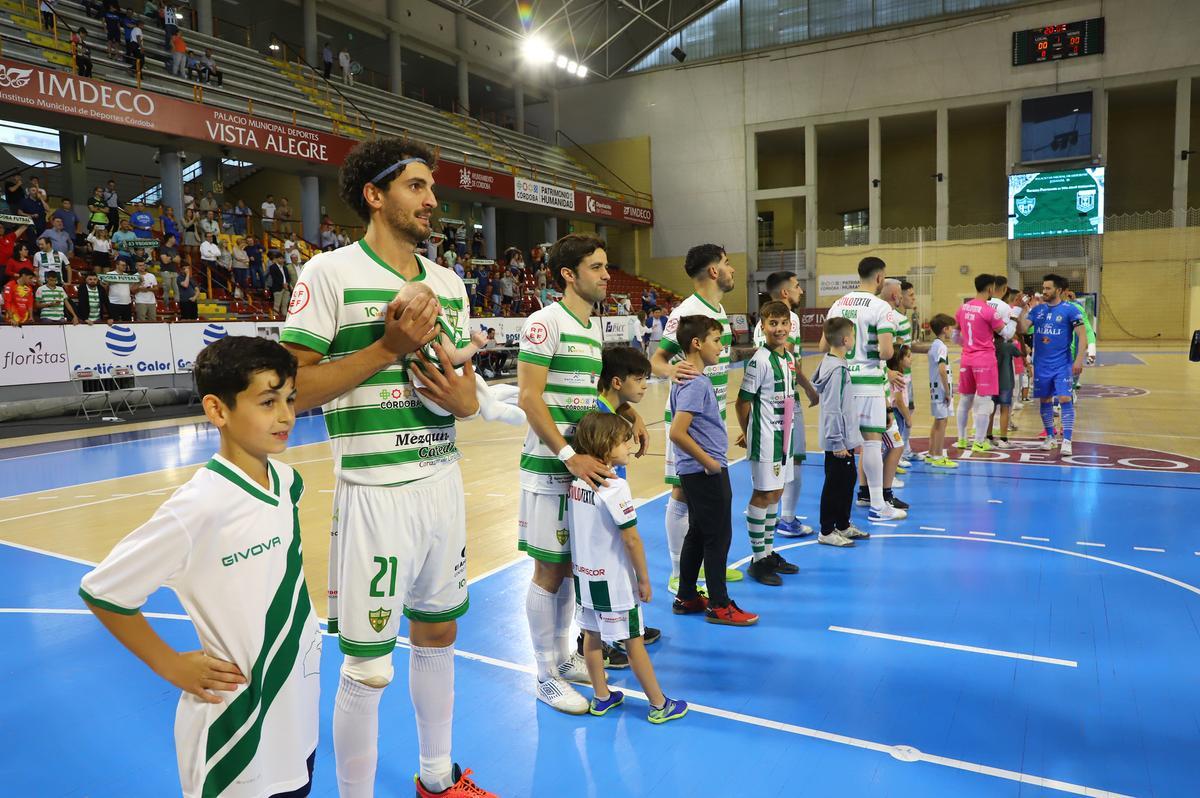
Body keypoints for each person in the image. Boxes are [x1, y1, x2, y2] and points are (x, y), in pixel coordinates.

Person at [280, 137, 496, 797]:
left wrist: (466, 400)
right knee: (369, 668)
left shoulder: (449, 284)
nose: (433, 201)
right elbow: (291, 389)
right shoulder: (329, 274)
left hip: (440, 483)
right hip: (373, 491)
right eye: (416, 187)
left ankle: (437, 777)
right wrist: (386, 347)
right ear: (375, 195)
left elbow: (459, 388)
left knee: (439, 630)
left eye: (433, 189)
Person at [79, 337, 321, 798]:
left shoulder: (288, 482)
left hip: (295, 707)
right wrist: (170, 664)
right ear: (218, 410)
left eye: (289, 399)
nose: (287, 415)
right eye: (268, 401)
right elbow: (103, 591)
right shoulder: (199, 507)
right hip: (235, 725)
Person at [517, 234, 648, 714]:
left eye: (607, 266)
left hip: (580, 471)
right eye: (597, 267)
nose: (607, 275)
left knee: (572, 566)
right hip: (551, 470)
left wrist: (626, 417)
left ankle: (563, 656)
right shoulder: (543, 323)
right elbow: (529, 397)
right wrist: (570, 453)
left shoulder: (590, 327)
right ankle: (543, 673)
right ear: (568, 274)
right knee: (548, 570)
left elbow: (583, 398)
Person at [568, 413, 688, 723]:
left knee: (591, 638)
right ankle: (659, 704)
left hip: (584, 577)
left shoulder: (575, 480)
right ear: (606, 446)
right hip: (614, 582)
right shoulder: (614, 485)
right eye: (624, 441)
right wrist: (644, 579)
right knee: (633, 641)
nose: (629, 444)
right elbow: (632, 539)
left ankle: (602, 696)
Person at [650, 244, 743, 593]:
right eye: (728, 262)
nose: (732, 269)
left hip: (711, 417)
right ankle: (679, 572)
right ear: (714, 271)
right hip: (690, 417)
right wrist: (673, 371)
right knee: (682, 492)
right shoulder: (686, 312)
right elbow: (657, 359)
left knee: (704, 498)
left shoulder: (716, 308)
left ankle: (708, 564)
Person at [669, 315, 758, 625]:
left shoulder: (689, 378)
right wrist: (710, 463)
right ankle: (719, 604)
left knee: (698, 533)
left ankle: (687, 596)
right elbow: (677, 432)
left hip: (695, 471)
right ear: (697, 343)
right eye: (717, 340)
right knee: (717, 537)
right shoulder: (695, 382)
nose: (722, 346)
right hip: (704, 471)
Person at [821, 256, 906, 523]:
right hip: (869, 383)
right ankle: (878, 505)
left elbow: (824, 347)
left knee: (841, 450)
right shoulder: (881, 308)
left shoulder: (837, 304)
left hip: (842, 381)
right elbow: (886, 351)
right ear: (880, 278)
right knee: (871, 443)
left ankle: (839, 517)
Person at [736, 301, 802, 586]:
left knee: (776, 493)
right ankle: (758, 559)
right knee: (763, 494)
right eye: (772, 323)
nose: (779, 328)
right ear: (762, 327)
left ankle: (768, 552)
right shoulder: (759, 360)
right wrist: (748, 431)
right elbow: (742, 402)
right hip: (764, 439)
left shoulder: (788, 357)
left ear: (790, 325)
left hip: (783, 437)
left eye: (783, 323)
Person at [754, 271, 819, 538]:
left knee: (772, 464)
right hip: (785, 399)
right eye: (796, 286)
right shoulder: (788, 318)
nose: (800, 290)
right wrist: (810, 390)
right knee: (794, 460)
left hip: (766, 401)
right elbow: (790, 360)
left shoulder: (762, 322)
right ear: (784, 293)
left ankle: (771, 518)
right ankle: (787, 518)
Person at [1016, 274, 1087, 457]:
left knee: (1064, 399)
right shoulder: (1038, 310)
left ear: (1060, 290)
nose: (1044, 291)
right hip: (1041, 365)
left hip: (1062, 364)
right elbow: (1023, 329)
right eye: (1044, 288)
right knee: (1045, 400)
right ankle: (1050, 436)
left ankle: (1067, 440)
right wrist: (1022, 308)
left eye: (1048, 288)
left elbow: (1082, 337)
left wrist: (1079, 360)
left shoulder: (1070, 310)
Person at [812, 316, 865, 547]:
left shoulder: (833, 363)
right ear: (845, 340)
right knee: (834, 485)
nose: (853, 339)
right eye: (852, 335)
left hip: (844, 440)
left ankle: (843, 524)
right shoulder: (836, 371)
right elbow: (833, 409)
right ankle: (826, 530)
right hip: (838, 442)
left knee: (848, 480)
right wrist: (838, 442)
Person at [954, 274, 1006, 457]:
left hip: (966, 359)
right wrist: (1014, 316)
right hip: (984, 359)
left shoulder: (962, 308)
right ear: (990, 289)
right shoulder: (989, 311)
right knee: (985, 402)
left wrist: (969, 346)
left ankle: (961, 439)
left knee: (965, 399)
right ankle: (979, 442)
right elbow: (1006, 334)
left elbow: (955, 337)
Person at [924, 314, 957, 468]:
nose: (953, 332)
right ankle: (938, 456)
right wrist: (948, 391)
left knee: (938, 421)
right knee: (942, 422)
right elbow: (942, 370)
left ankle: (931, 454)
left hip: (935, 388)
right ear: (945, 329)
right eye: (951, 329)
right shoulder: (941, 347)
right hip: (941, 389)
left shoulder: (935, 345)